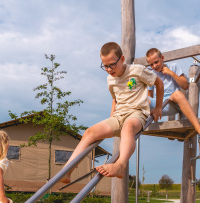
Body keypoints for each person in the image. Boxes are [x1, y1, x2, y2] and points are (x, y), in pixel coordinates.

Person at [61, 42, 164, 183]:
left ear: (122, 59)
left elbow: (159, 83)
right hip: (118, 116)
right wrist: (111, 118)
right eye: (105, 66)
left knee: (127, 129)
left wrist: (158, 107)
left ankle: (120, 165)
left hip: (137, 113)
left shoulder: (137, 70)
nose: (109, 69)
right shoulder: (110, 79)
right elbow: (115, 100)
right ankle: (67, 171)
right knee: (89, 132)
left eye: (112, 65)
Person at [145, 48, 200, 141]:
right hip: (157, 104)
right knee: (142, 98)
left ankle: (199, 128)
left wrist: (171, 73)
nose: (154, 66)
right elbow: (150, 95)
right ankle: (132, 124)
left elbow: (185, 86)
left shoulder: (173, 67)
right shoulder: (151, 74)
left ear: (162, 58)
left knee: (177, 94)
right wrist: (153, 110)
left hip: (171, 103)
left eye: (156, 62)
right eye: (151, 64)